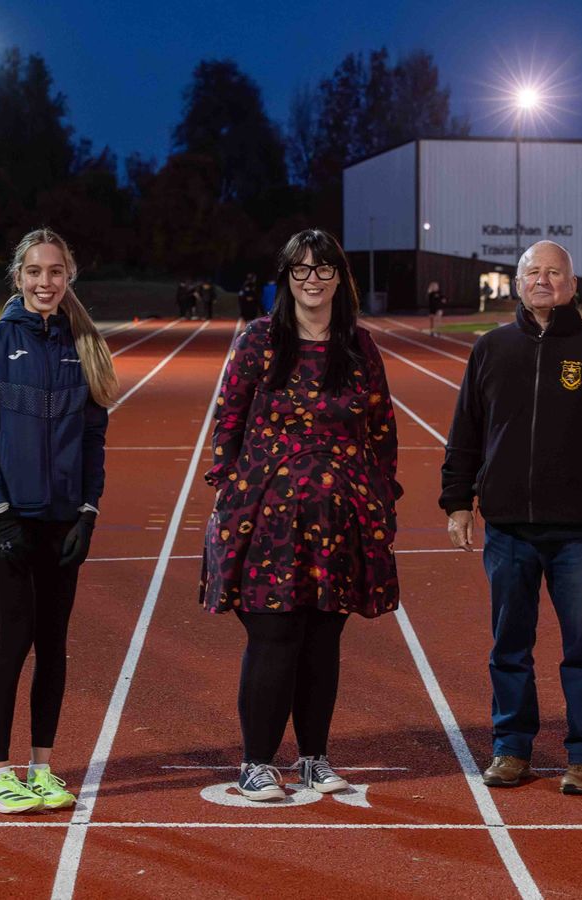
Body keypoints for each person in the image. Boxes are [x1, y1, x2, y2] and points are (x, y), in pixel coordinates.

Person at [440, 240, 582, 795]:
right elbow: (465, 433)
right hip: (508, 529)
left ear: (573, 285)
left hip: (579, 530)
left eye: (554, 272)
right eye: (533, 272)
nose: (543, 280)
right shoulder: (491, 348)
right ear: (517, 282)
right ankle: (511, 749)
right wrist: (458, 500)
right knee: (509, 646)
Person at [201, 228, 402, 802]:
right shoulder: (259, 340)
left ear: (340, 277)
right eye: (300, 270)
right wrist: (234, 484)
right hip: (268, 518)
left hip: (343, 516)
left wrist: (381, 494)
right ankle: (257, 762)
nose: (312, 280)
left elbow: (381, 427)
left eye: (323, 269)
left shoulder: (359, 346)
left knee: (322, 640)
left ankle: (314, 757)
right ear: (286, 279)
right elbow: (228, 421)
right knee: (274, 634)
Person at [0, 228, 117, 814]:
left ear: (68, 275)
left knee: (54, 646)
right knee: (15, 639)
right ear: (18, 277)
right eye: (34, 271)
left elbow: (95, 443)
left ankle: (42, 768)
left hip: (63, 521)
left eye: (55, 271)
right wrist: (0, 515)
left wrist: (89, 513)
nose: (44, 282)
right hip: (11, 520)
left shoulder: (86, 345)